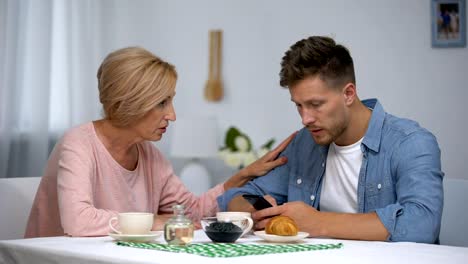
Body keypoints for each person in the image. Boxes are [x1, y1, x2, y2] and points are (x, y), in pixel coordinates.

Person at [25, 47, 294, 238]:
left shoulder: (149, 155)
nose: (172, 115)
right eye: (161, 103)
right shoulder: (79, 144)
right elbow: (78, 222)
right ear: (129, 102)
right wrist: (154, 221)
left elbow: (192, 212)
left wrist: (244, 175)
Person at [217, 36, 444, 243]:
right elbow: (236, 197)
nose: (305, 119)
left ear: (348, 94)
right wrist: (257, 214)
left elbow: (422, 225)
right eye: (299, 105)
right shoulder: (304, 143)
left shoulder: (411, 143)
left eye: (316, 105)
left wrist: (318, 222)